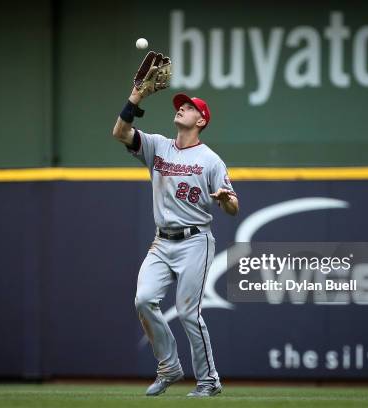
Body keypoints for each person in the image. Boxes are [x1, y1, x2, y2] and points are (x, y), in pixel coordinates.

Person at [112, 83, 239, 397]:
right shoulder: (158, 146)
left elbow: (234, 207)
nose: (181, 108)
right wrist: (135, 98)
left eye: (189, 107)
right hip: (162, 242)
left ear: (201, 121)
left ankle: (209, 381)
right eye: (180, 105)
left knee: (187, 312)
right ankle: (168, 367)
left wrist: (225, 199)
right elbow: (120, 132)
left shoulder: (211, 160)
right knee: (143, 299)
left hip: (195, 241)